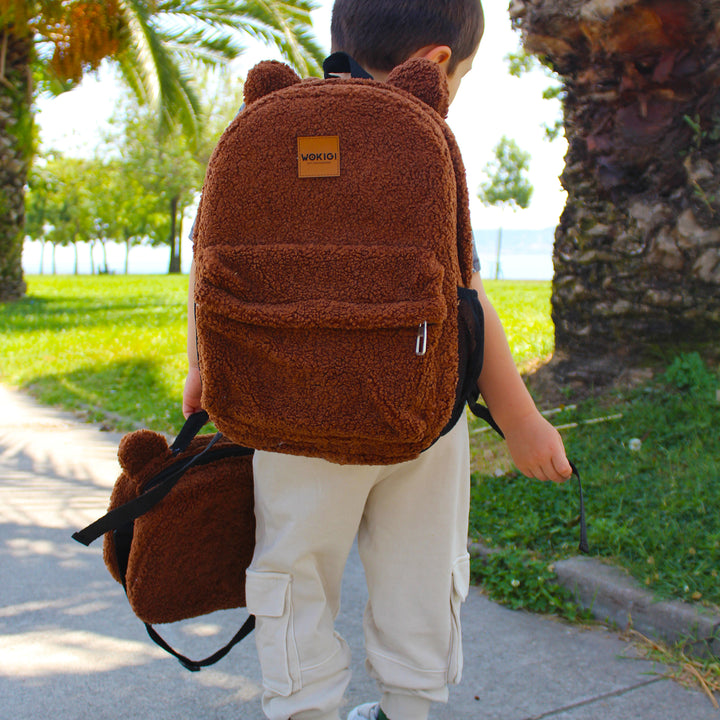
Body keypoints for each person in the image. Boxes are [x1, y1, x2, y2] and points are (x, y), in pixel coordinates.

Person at [183, 2, 572, 719]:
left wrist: (203, 369)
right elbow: (469, 299)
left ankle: (305, 708)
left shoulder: (272, 127)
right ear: (436, 64)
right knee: (419, 571)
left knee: (295, 569)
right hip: (422, 414)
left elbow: (213, 257)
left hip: (290, 411)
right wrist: (521, 421)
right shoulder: (423, 137)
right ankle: (410, 707)